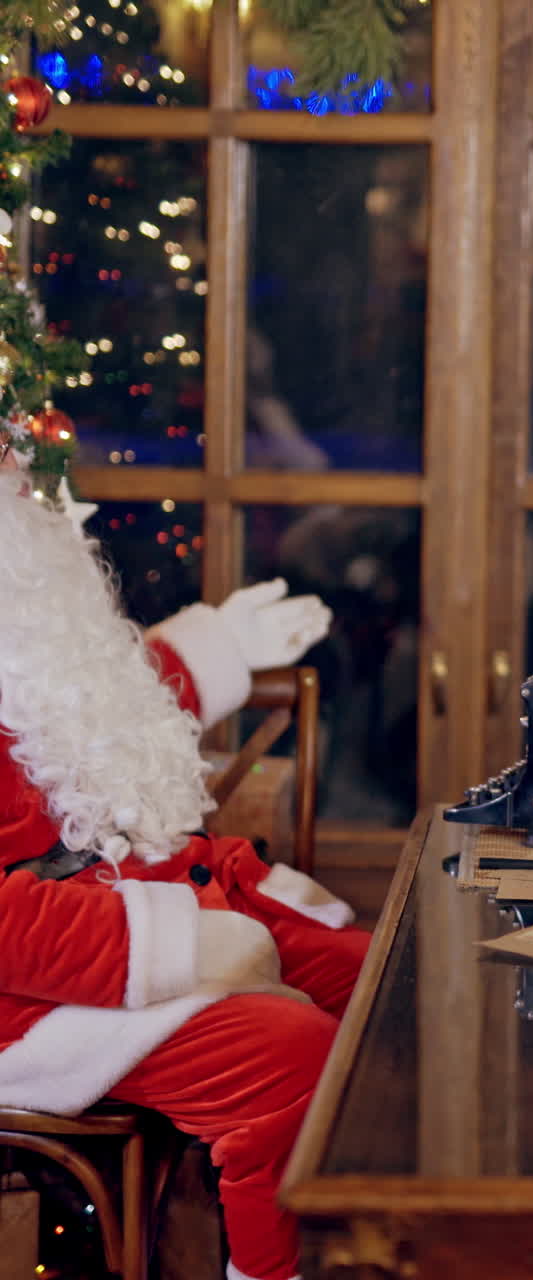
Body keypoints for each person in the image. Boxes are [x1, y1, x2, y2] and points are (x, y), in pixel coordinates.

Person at [0, 434, 368, 1280]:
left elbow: (81, 707)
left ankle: (400, 1250)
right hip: (31, 994)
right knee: (289, 1054)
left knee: (388, 991)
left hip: (144, 894)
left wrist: (214, 653)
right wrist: (171, 950)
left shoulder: (19, 597)